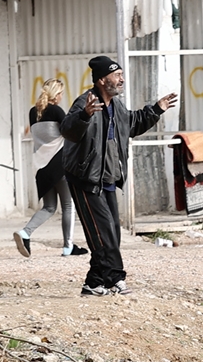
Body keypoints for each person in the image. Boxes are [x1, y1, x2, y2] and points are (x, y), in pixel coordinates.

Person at [59, 55, 177, 297]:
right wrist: (85, 116)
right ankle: (115, 278)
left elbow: (132, 124)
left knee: (111, 233)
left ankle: (93, 283)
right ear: (102, 80)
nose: (122, 79)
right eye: (117, 75)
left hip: (109, 180)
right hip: (86, 179)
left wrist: (156, 109)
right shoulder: (86, 102)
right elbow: (68, 130)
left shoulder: (117, 106)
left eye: (122, 74)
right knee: (102, 234)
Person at [15, 76, 79, 259]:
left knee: (49, 207)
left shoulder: (32, 112)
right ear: (56, 94)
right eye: (60, 94)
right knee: (68, 205)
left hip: (41, 166)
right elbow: (71, 132)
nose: (61, 97)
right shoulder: (57, 111)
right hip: (59, 164)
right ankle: (68, 247)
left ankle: (25, 232)